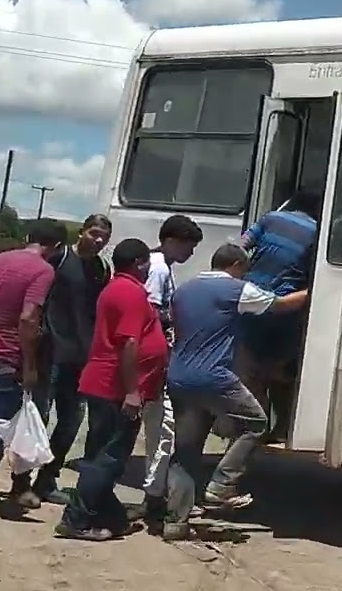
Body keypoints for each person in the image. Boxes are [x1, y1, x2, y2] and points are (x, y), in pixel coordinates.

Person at [162, 243, 309, 541]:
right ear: (237, 266)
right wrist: (314, 289)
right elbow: (279, 305)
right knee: (256, 423)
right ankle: (221, 485)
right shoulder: (234, 289)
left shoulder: (185, 290)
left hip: (178, 376)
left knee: (186, 452)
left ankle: (175, 522)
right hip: (213, 376)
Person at [56, 239, 166, 541]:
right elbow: (128, 343)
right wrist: (133, 391)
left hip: (106, 383)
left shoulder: (117, 287)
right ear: (141, 263)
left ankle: (111, 516)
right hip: (114, 387)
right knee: (110, 457)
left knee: (103, 453)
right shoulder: (130, 292)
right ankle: (76, 519)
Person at [0, 219, 66, 518]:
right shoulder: (43, 271)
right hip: (10, 358)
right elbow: (28, 317)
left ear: (29, 237)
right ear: (57, 247)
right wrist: (30, 365)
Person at [12, 214, 112, 510]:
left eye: (104, 236)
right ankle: (21, 483)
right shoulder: (58, 259)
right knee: (39, 417)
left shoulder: (100, 268)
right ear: (81, 232)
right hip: (50, 351)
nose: (98, 240)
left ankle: (47, 480)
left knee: (70, 421)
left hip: (80, 356)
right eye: (94, 233)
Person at [235, 190, 319, 444]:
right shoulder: (317, 231)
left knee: (250, 369)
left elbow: (239, 248)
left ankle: (252, 428)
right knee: (280, 370)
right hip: (286, 309)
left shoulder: (270, 218)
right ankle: (279, 426)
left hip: (252, 301)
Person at [136, 214, 203, 525]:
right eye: (189, 247)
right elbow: (149, 312)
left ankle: (154, 492)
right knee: (162, 430)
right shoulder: (159, 269)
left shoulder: (154, 264)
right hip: (153, 360)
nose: (190, 254)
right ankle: (154, 496)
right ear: (173, 241)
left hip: (149, 359)